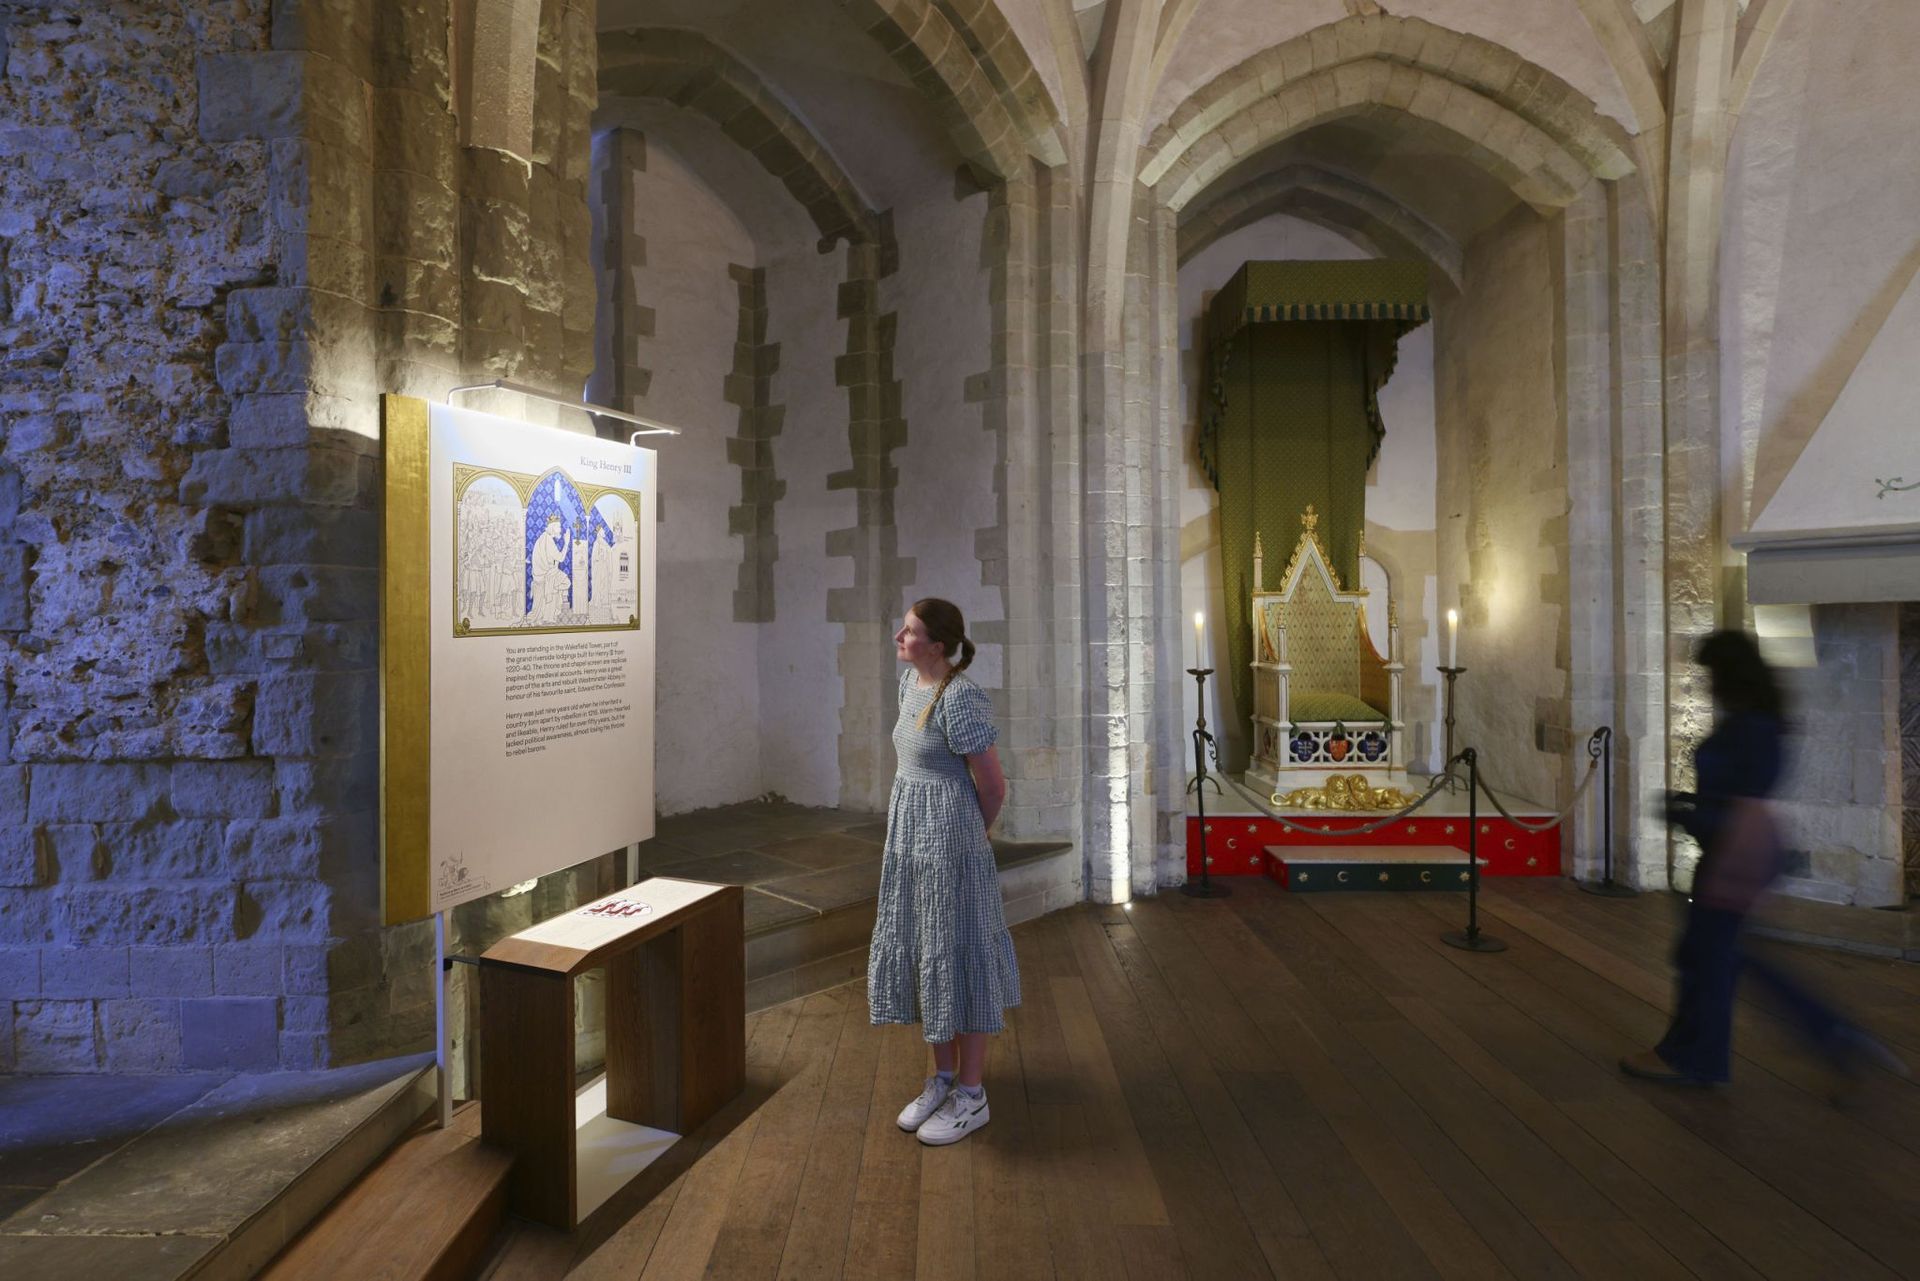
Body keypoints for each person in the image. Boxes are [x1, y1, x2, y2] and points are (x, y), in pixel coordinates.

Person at [1621, 629, 1905, 1092]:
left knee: (1709, 959)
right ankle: (1831, 1032)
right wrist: (1691, 809)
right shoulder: (1758, 721)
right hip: (1735, 845)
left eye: (1711, 673)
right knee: (1718, 956)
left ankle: (1695, 1057)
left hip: (1736, 851)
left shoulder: (1750, 728)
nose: (1706, 683)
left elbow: (1745, 805)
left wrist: (1708, 833)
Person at [868, 597, 1020, 1145]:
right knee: (929, 949)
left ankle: (972, 1096)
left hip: (954, 844)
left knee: (963, 952)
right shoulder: (910, 687)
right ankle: (944, 1078)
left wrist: (967, 838)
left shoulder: (961, 698)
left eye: (907, 631)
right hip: (910, 838)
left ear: (936, 645)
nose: (897, 638)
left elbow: (994, 786)